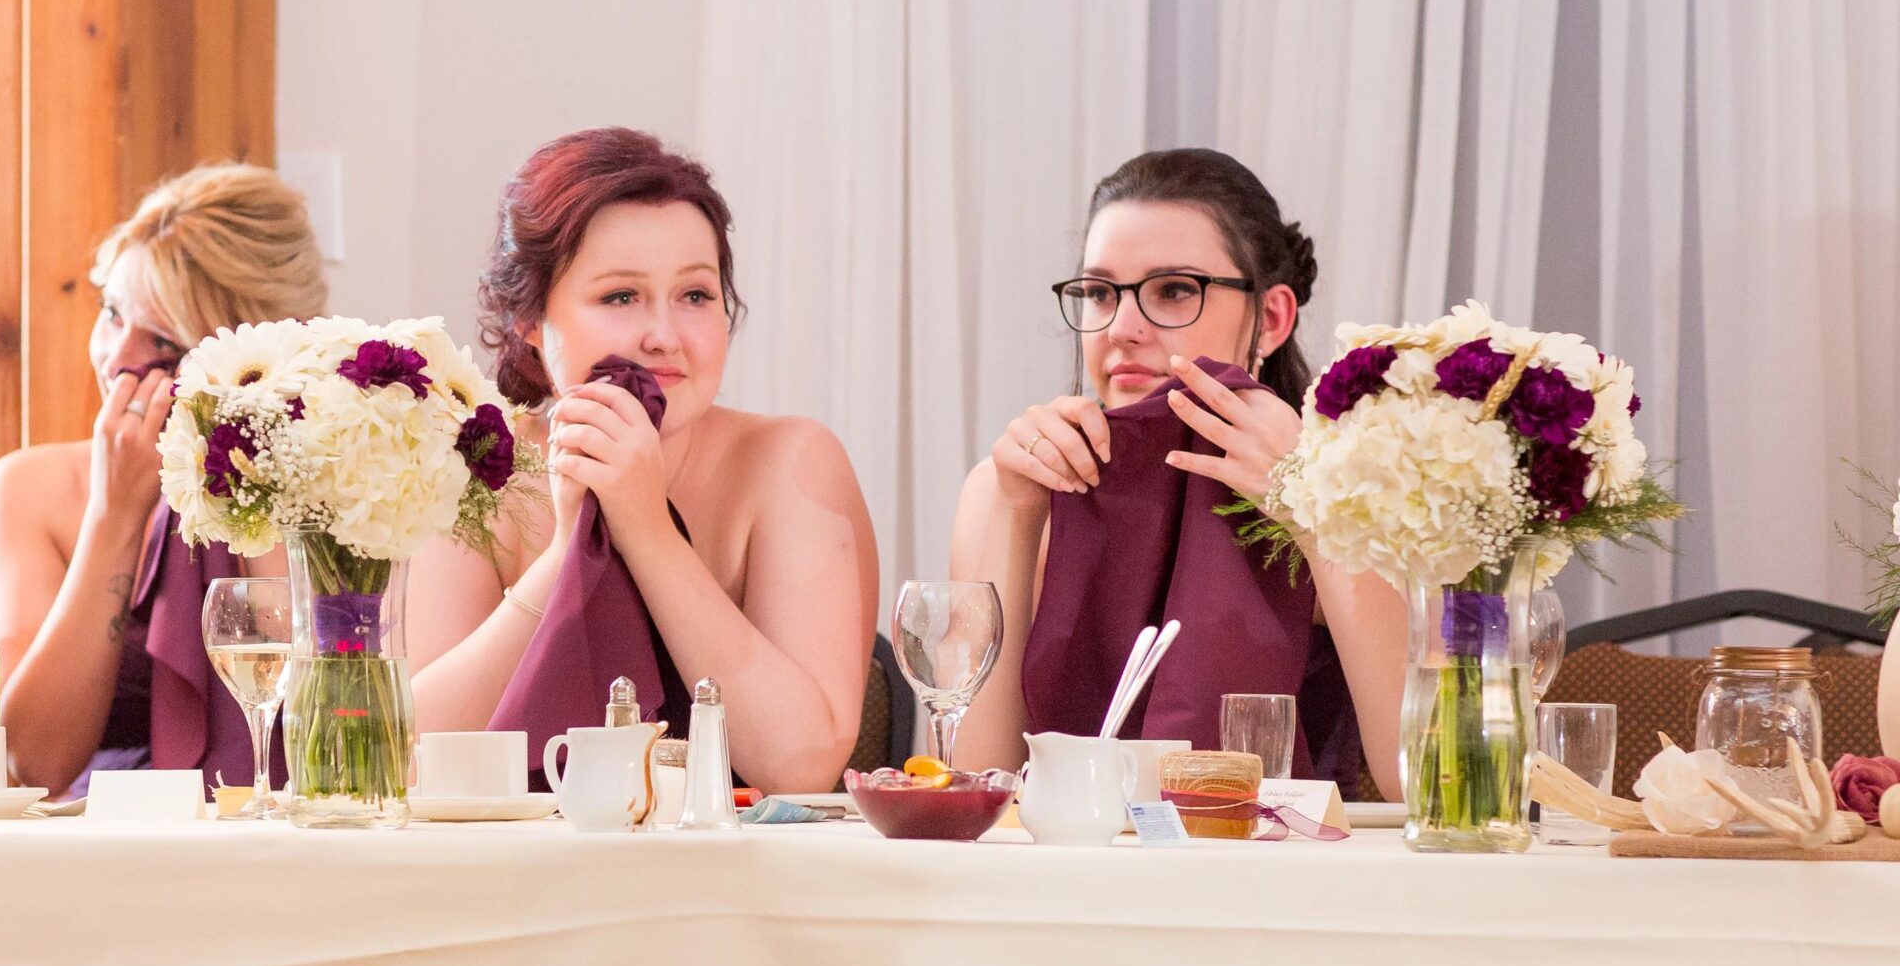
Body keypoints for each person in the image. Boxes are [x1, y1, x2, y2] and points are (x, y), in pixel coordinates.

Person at [408, 127, 877, 795]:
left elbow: (799, 765)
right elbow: (406, 758)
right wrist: (566, 555)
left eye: (695, 295)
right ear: (531, 321)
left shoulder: (791, 461)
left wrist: (646, 529)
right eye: (621, 297)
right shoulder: (475, 467)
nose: (664, 336)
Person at [948, 148, 1407, 795]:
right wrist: (1016, 512)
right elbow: (971, 781)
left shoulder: (1359, 483)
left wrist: (1311, 501)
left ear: (1272, 319)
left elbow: (1425, 782)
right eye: (1099, 293)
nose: (1123, 328)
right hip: (1062, 855)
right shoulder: (1009, 485)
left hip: (1276, 855)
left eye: (1173, 291)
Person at [0, 164, 328, 796]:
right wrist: (113, 516)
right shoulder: (28, 490)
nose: (116, 359)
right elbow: (31, 761)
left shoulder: (330, 485)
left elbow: (314, 713)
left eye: (160, 342)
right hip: (97, 828)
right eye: (112, 313)